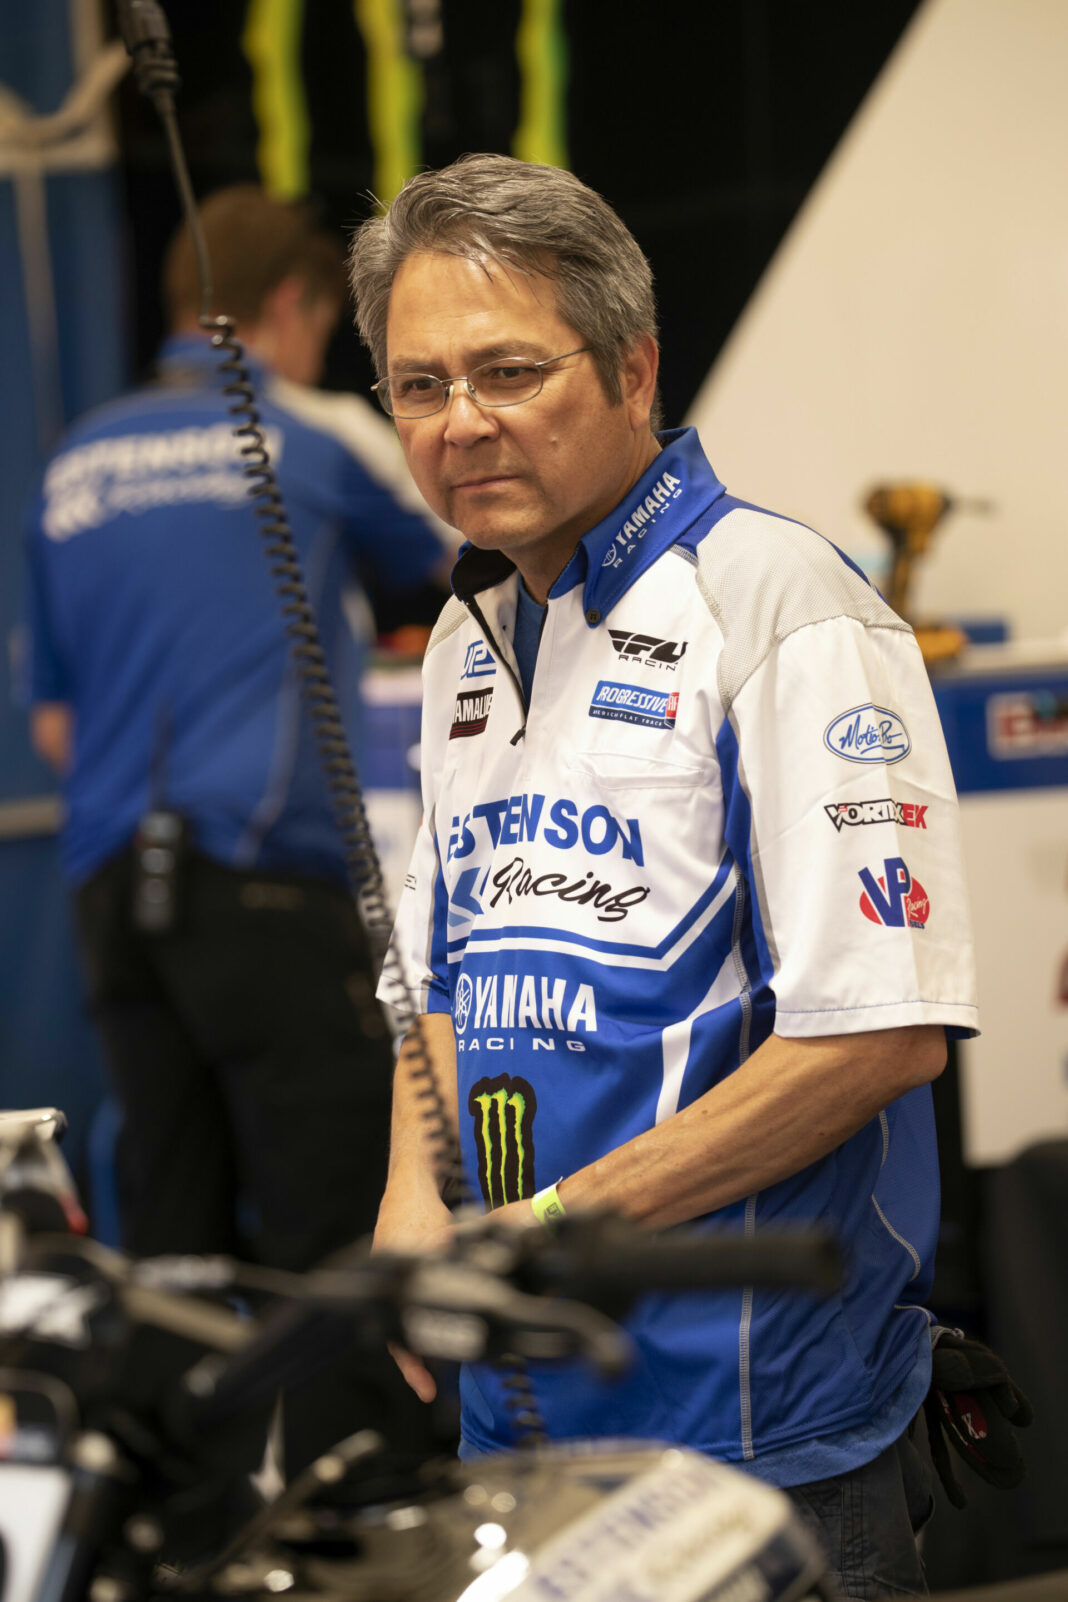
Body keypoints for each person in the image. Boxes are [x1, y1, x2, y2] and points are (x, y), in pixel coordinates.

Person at [349, 153, 979, 1596]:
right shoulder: (463, 638)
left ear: (634, 369)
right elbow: (442, 973)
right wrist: (411, 1214)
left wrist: (560, 1227)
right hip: (523, 1417)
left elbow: (880, 1034)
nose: (464, 423)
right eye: (421, 384)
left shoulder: (785, 604)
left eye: (509, 370)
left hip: (761, 1439)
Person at [23, 184, 449, 1471]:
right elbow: (461, 571)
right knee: (334, 1226)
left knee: (171, 1241)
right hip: (265, 880)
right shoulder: (305, 435)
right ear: (287, 309)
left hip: (110, 897)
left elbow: (52, 728)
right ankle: (368, 1520)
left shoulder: (72, 463)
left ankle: (165, 1529)